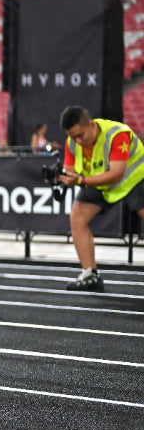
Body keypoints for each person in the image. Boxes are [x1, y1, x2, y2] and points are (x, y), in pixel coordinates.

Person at [57, 106, 144, 292]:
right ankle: (90, 275)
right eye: (73, 137)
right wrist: (60, 177)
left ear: (91, 125)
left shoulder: (116, 134)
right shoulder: (71, 143)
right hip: (101, 183)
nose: (78, 141)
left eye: (81, 135)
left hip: (134, 179)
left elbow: (116, 174)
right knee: (77, 216)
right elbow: (70, 170)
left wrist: (81, 180)